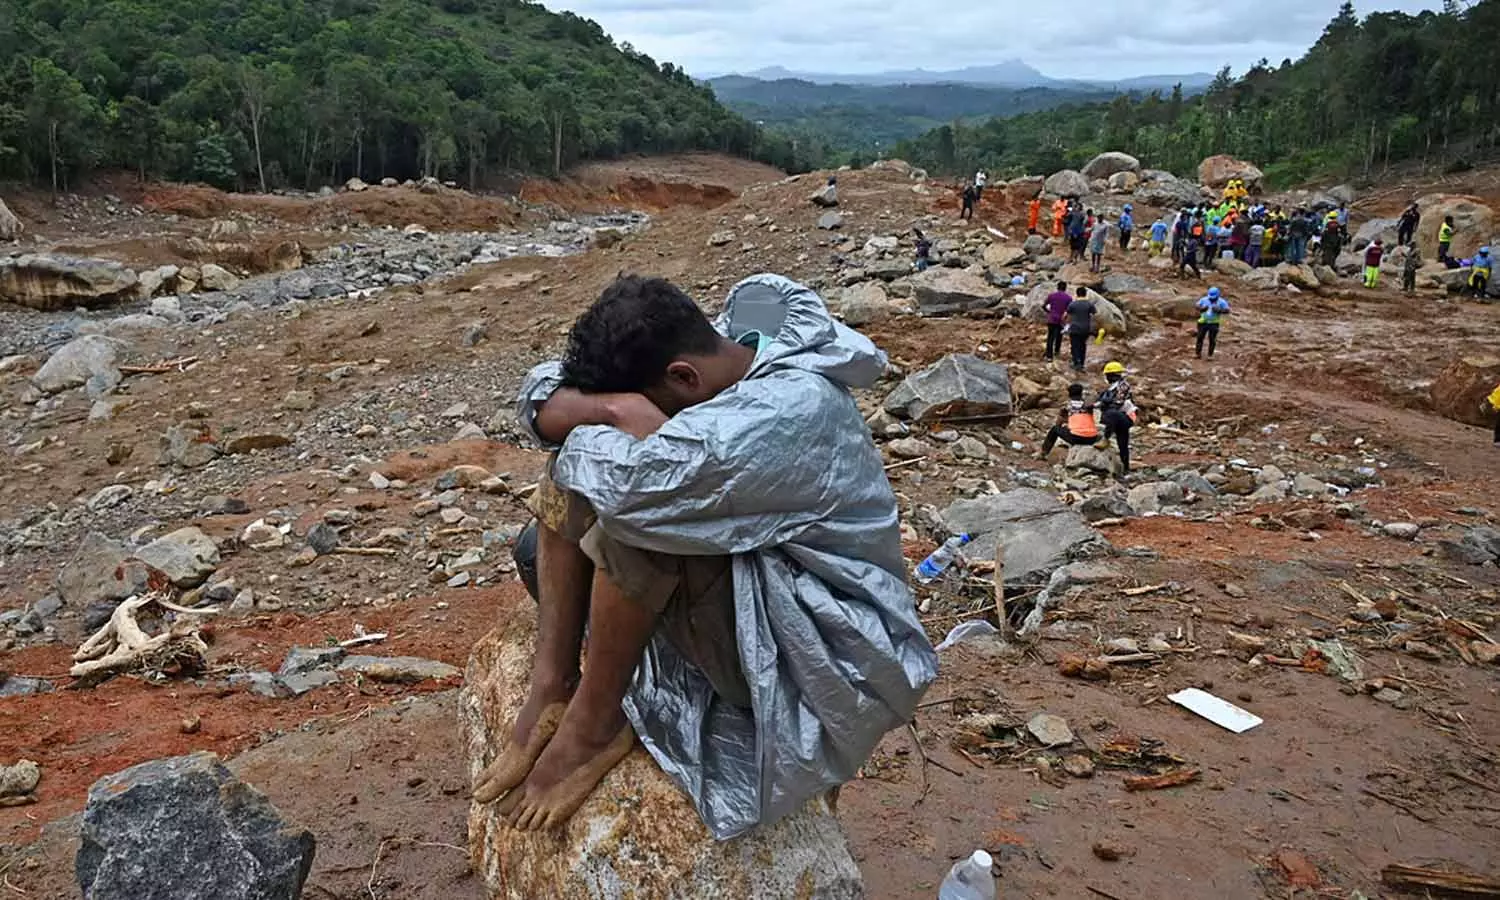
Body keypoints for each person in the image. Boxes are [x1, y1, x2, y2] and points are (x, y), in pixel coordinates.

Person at [481, 273, 937, 838]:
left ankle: (594, 725)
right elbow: (540, 394)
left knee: (639, 523)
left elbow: (626, 492)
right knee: (574, 487)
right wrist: (617, 410)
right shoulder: (722, 350)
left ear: (682, 377)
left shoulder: (786, 410)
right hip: (763, 587)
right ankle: (552, 684)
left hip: (818, 654)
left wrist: (594, 421)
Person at [1038, 383, 1100, 459]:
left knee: (1055, 429)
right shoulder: (1087, 405)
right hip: (1092, 438)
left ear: (1069, 394)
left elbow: (1059, 423)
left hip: (1077, 438)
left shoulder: (1067, 405)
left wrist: (1064, 424)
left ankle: (1043, 453)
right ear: (1081, 394)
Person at [1096, 361, 1135, 476]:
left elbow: (1117, 403)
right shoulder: (1111, 388)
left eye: (1107, 375)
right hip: (1119, 417)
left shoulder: (1122, 386)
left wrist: (1103, 404)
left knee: (1111, 413)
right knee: (1122, 443)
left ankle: (1106, 439)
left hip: (1125, 417)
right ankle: (1126, 469)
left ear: (1112, 375)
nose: (1106, 378)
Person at [1064, 285, 1095, 372]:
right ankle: (1081, 363)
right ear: (1085, 294)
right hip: (1085, 328)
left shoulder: (1073, 304)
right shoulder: (1089, 304)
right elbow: (1094, 315)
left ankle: (1076, 363)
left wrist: (1065, 324)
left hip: (1075, 328)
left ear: (1077, 294)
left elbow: (1066, 315)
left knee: (1075, 346)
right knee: (1083, 345)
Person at [1195, 286, 1230, 358]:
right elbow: (1197, 305)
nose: (1212, 299)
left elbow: (1227, 310)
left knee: (1212, 339)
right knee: (1200, 337)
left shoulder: (1222, 302)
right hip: (1203, 322)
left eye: (1213, 298)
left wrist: (1219, 310)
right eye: (1210, 297)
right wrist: (1201, 308)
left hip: (1214, 323)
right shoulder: (1204, 299)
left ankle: (1210, 355)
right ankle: (1197, 354)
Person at [1043, 280, 1071, 361]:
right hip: (1061, 320)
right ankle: (1057, 351)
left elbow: (1044, 305)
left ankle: (1049, 356)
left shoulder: (1051, 296)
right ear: (1065, 288)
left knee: (1050, 338)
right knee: (1059, 336)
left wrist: (1049, 312)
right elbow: (1069, 310)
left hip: (1051, 319)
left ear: (1057, 287)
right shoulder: (1068, 298)